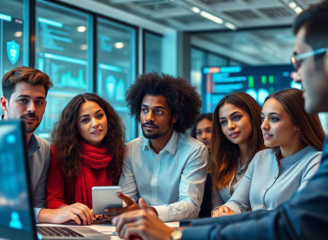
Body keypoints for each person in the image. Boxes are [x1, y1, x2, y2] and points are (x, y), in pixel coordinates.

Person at [112, 2, 328, 239]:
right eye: (223, 122)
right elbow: (242, 206)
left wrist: (176, 235)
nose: (296, 74)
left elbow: (288, 221)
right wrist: (216, 217)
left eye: (300, 61)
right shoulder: (262, 158)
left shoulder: (315, 160)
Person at [0, 66, 94, 225]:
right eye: (23, 100)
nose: (32, 109)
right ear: (4, 103)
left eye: (38, 102)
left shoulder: (44, 149)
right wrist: (49, 215)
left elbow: (38, 204)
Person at [105, 72, 208, 222]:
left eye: (158, 111)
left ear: (175, 117)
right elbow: (128, 198)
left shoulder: (194, 150)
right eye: (144, 110)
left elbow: (190, 206)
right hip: (139, 228)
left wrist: (148, 212)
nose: (149, 118)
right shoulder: (132, 149)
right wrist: (117, 209)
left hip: (177, 232)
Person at [213, 89, 324, 217]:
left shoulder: (317, 162)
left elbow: (297, 215)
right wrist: (225, 210)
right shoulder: (261, 157)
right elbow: (237, 202)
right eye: (263, 118)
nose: (263, 126)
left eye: (274, 119)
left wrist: (242, 219)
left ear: (298, 123)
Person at [45, 93, 125, 225]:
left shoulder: (120, 152)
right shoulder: (59, 153)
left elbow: (127, 196)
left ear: (108, 119)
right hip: (74, 225)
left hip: (110, 226)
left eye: (99, 116)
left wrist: (115, 209)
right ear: (75, 127)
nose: (95, 124)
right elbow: (53, 200)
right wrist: (69, 210)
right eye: (85, 120)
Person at [210, 92, 265, 214]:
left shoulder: (269, 157)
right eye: (223, 122)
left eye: (236, 117)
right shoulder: (222, 159)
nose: (230, 126)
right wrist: (217, 212)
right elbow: (217, 203)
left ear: (253, 116)